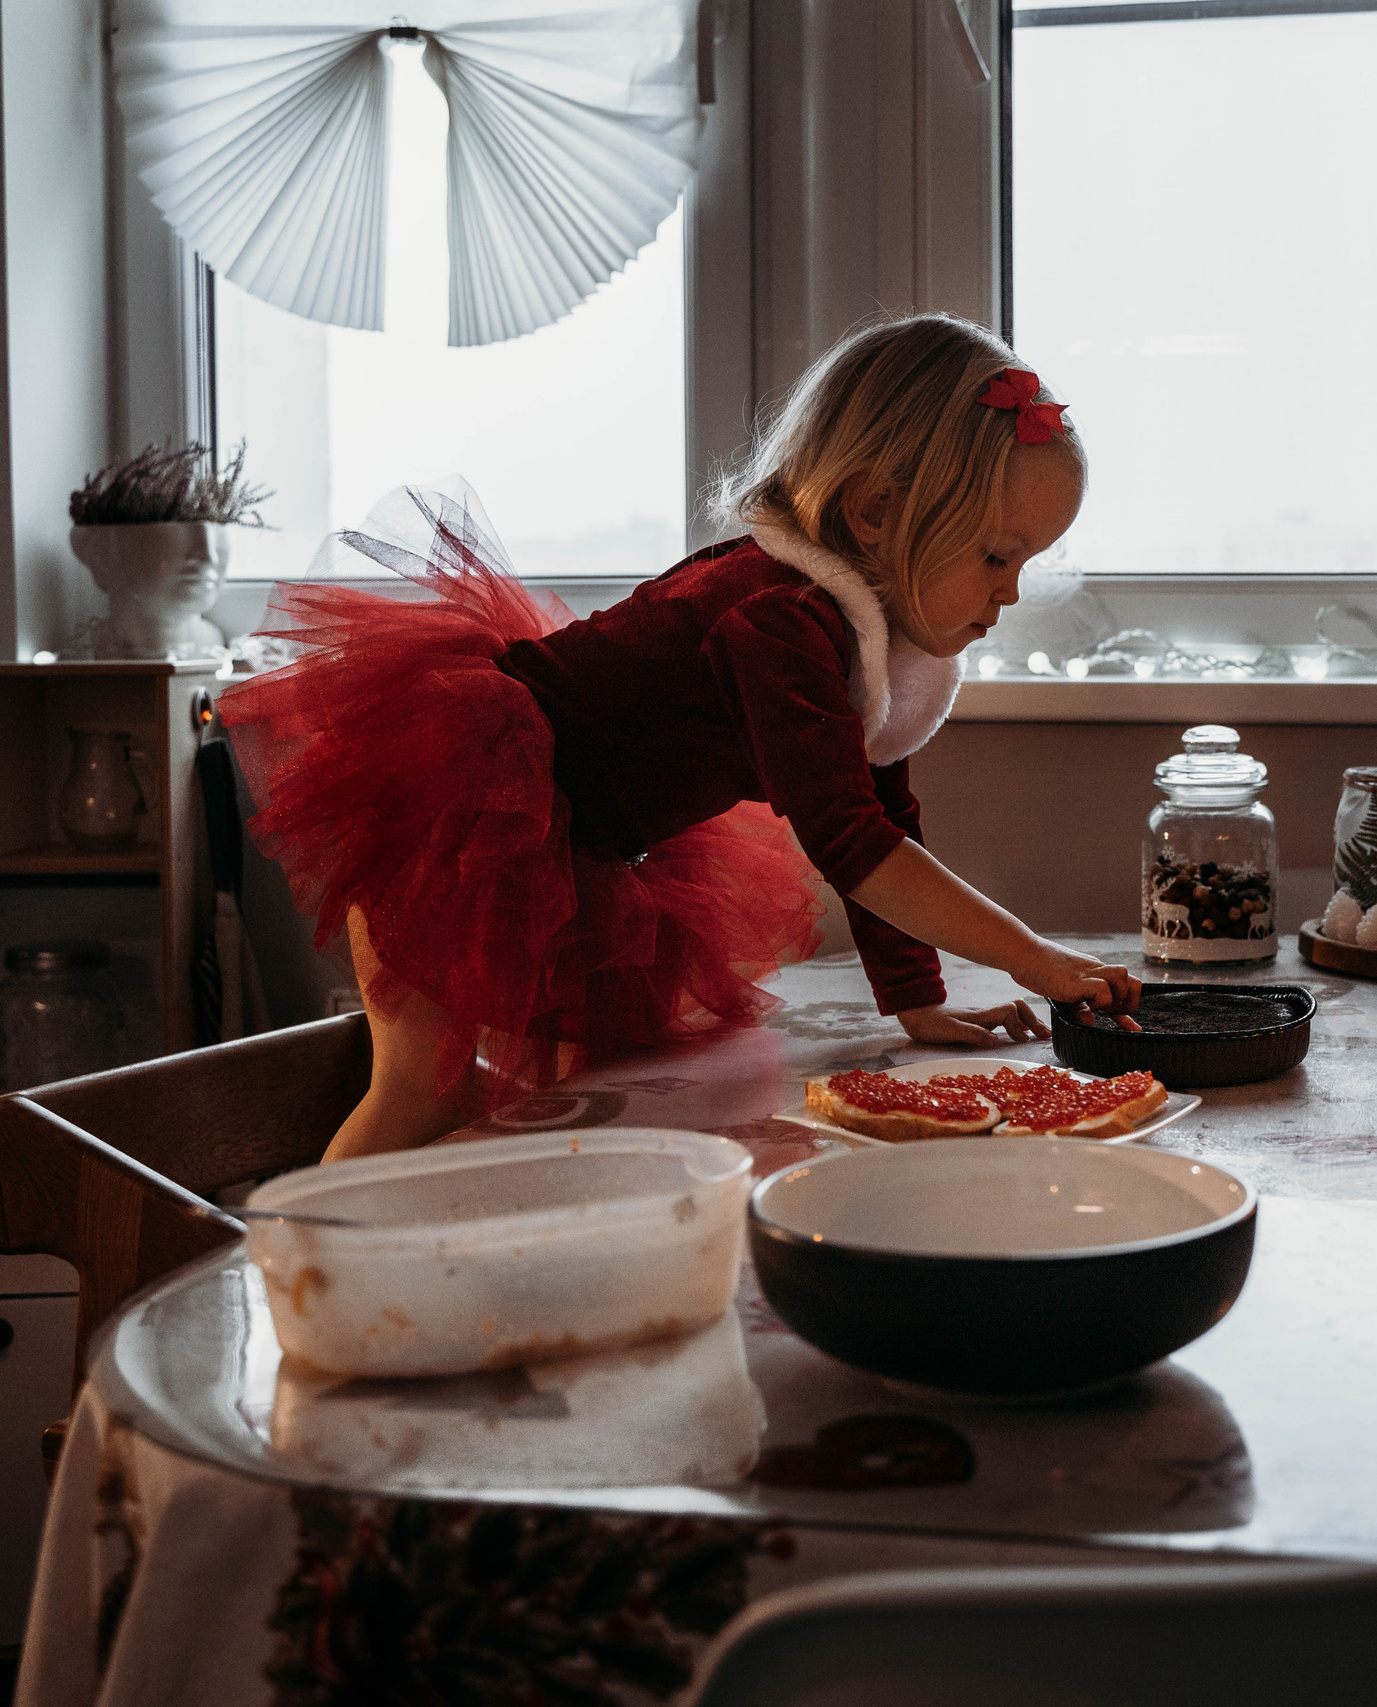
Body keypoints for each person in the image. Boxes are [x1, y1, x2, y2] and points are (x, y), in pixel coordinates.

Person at [221, 313, 1140, 1162]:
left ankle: (453, 1276)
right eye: (995, 555)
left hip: (583, 845)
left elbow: (879, 811)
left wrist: (918, 996)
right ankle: (295, 1277)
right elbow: (854, 845)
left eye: (1026, 561)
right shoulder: (775, 620)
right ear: (875, 513)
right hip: (465, 814)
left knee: (542, 1102)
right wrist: (1033, 956)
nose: (1011, 592)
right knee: (423, 1091)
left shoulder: (855, 640)